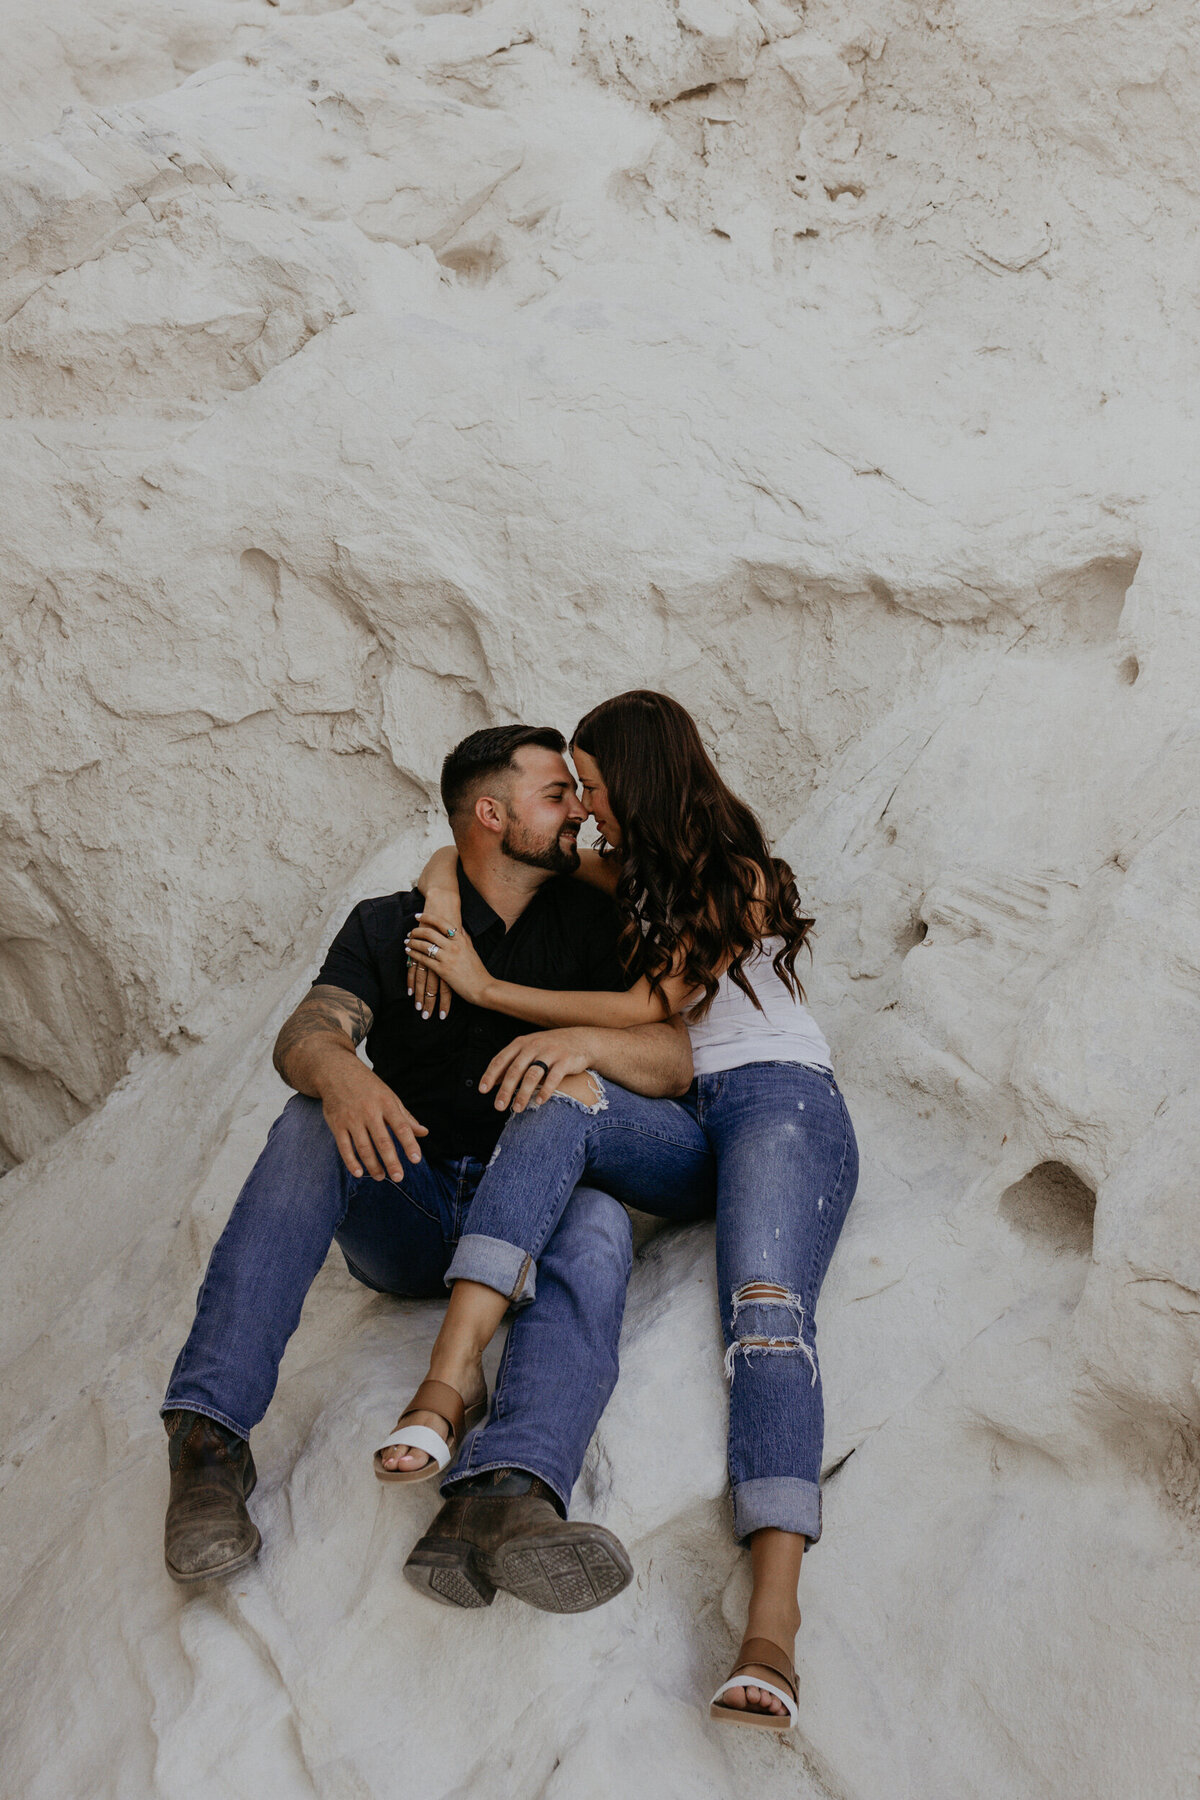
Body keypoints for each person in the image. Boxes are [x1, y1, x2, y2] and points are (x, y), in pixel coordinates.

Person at [397, 690, 858, 1729]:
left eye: (593, 787)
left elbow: (658, 1012)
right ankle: (448, 1381)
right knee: (561, 1097)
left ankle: (771, 1638)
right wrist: (436, 895)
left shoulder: (739, 878)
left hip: (780, 1105)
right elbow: (473, 851)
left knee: (767, 1314)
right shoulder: (626, 872)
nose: (587, 813)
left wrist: (486, 989)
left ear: (639, 780)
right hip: (689, 1120)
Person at [160, 723, 694, 1615]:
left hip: (537, 1207)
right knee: (305, 1124)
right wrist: (341, 1078)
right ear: (491, 814)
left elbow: (672, 1060)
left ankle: (507, 1493)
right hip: (411, 1207)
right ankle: (207, 1447)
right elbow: (310, 1031)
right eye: (556, 796)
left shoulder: (599, 919)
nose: (579, 814)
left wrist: (580, 1041)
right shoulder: (391, 927)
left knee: (598, 1219)